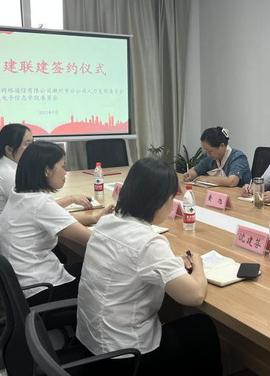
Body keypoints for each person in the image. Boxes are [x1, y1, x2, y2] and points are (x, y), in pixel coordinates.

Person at [77, 158, 222, 376]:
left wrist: (172, 263)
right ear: (158, 200)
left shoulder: (107, 222)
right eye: (171, 198)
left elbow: (137, 260)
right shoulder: (148, 242)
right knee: (202, 327)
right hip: (126, 357)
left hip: (91, 345)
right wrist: (198, 263)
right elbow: (194, 296)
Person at [0, 141, 114, 306]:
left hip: (22, 286)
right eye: (63, 167)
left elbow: (61, 219)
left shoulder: (21, 194)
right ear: (46, 170)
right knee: (109, 275)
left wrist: (95, 218)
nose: (65, 173)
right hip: (40, 290)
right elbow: (94, 240)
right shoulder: (40, 203)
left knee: (87, 267)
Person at [0, 123, 92, 242]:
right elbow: (42, 209)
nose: (32, 148)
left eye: (33, 142)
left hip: (11, 240)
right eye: (27, 144)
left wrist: (94, 218)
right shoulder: (9, 175)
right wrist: (71, 199)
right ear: (9, 150)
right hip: (3, 241)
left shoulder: (13, 169)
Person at [183, 126, 252, 187]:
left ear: (222, 146)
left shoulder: (238, 158)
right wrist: (190, 175)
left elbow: (232, 181)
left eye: (210, 151)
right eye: (206, 150)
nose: (208, 154)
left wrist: (207, 179)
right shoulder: (210, 158)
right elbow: (195, 170)